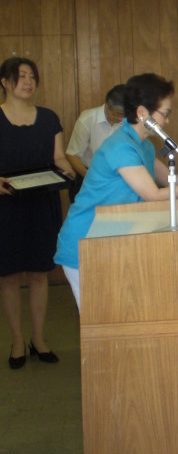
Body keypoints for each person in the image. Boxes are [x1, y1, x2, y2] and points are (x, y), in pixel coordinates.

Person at [55, 72, 178, 310]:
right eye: (164, 114)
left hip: (112, 241)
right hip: (86, 241)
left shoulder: (142, 145)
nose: (167, 121)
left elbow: (167, 179)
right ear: (142, 113)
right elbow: (154, 195)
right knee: (100, 319)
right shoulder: (121, 146)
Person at [0, 57, 75, 369]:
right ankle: (18, 341)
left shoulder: (48, 118)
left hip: (42, 205)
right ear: (4, 82)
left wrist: (66, 170)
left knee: (39, 273)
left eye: (32, 76)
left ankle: (39, 339)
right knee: (8, 277)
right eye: (21, 76)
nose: (28, 81)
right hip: (5, 207)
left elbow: (59, 158)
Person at [65, 84, 125, 200]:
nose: (120, 119)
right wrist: (91, 177)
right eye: (117, 114)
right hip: (88, 175)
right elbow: (72, 155)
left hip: (118, 178)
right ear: (107, 105)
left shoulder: (129, 122)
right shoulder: (87, 119)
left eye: (124, 115)